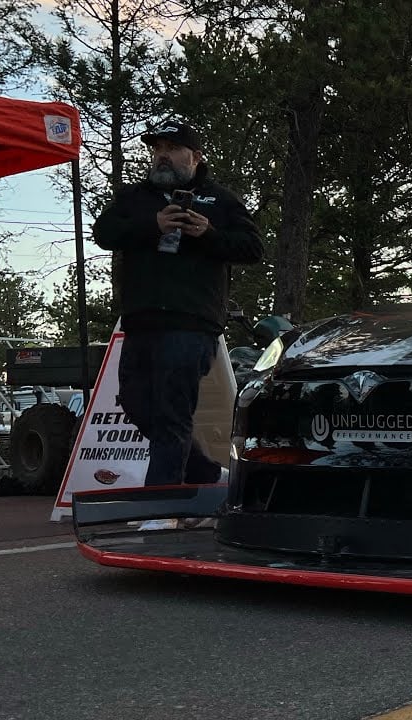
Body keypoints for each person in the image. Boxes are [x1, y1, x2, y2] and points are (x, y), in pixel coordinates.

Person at [93, 120, 263, 487]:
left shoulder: (220, 200)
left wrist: (209, 234)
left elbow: (253, 248)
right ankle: (204, 474)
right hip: (141, 320)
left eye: (171, 149)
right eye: (157, 149)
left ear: (196, 157)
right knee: (136, 404)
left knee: (172, 413)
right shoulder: (135, 198)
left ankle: (159, 508)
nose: (162, 156)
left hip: (192, 321)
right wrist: (151, 225)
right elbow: (103, 233)